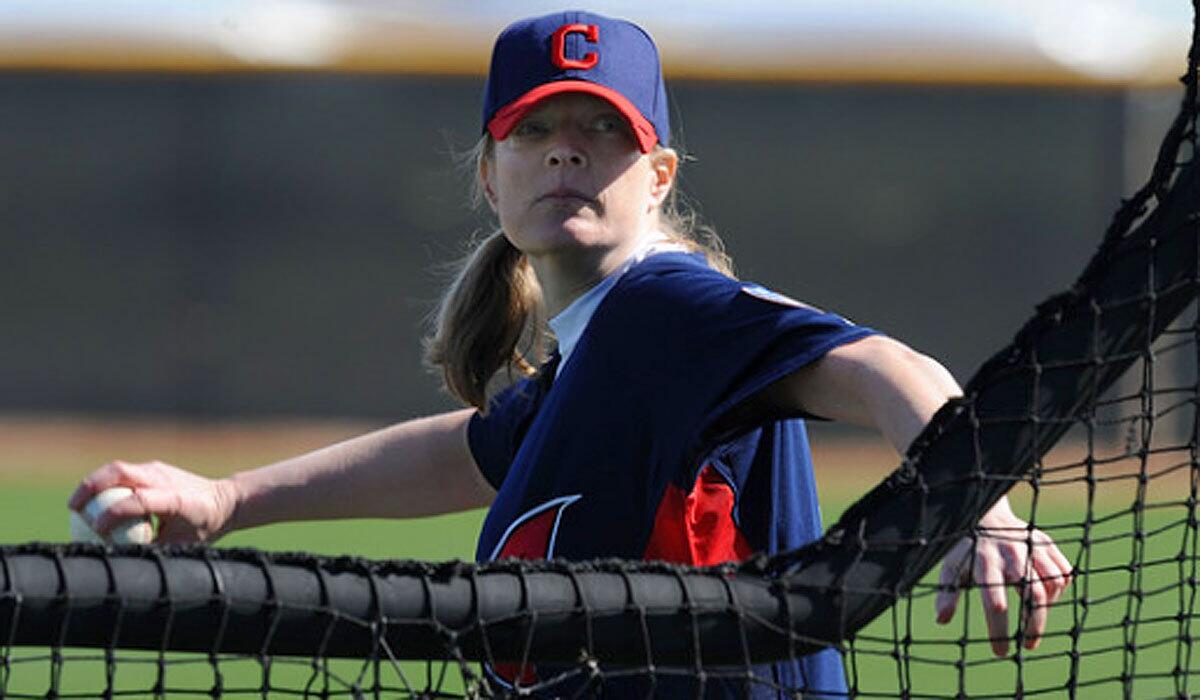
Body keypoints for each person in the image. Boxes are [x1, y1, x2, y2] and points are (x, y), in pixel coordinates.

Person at [68, 10, 1073, 698]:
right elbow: (466, 449)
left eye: (603, 129)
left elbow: (882, 366)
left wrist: (977, 505)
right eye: (535, 128)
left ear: (657, 176)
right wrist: (231, 501)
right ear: (492, 177)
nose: (565, 150)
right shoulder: (586, 364)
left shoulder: (672, 308)